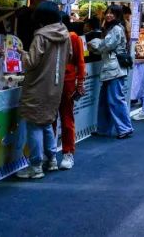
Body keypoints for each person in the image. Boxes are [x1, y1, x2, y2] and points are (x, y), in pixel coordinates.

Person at [16, 1, 71, 179]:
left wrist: (22, 53)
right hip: (55, 86)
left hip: (37, 86)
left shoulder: (40, 36)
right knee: (47, 122)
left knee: (34, 125)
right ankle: (52, 159)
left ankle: (36, 166)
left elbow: (30, 62)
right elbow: (69, 56)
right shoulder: (65, 35)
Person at [90, 5, 133, 139]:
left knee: (115, 99)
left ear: (117, 15)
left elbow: (105, 45)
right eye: (107, 12)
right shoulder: (113, 28)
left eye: (112, 13)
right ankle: (103, 129)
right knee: (105, 101)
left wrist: (92, 43)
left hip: (115, 70)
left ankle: (125, 128)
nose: (108, 15)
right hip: (111, 70)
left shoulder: (116, 29)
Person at [55, 14, 86, 170]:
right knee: (50, 119)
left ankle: (68, 152)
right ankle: (50, 154)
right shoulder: (49, 36)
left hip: (67, 81)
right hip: (52, 81)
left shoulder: (73, 37)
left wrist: (80, 83)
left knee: (66, 118)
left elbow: (80, 62)